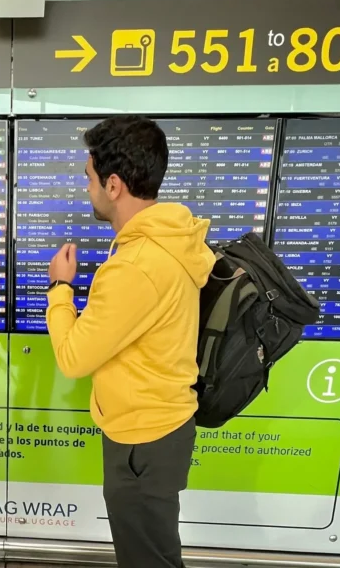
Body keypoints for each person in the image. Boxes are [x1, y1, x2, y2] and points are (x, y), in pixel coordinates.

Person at [45, 116, 216, 568]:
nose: (88, 188)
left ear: (114, 184)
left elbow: (74, 357)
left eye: (89, 178)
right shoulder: (171, 240)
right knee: (153, 550)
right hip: (159, 427)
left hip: (142, 438)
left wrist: (60, 290)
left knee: (147, 559)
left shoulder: (136, 264)